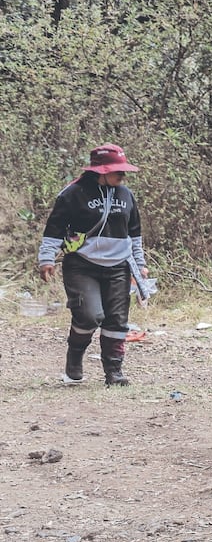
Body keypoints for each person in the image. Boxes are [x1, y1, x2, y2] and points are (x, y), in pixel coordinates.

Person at [37, 143, 150, 387]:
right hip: (81, 265)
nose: (123, 174)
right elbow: (54, 229)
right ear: (100, 170)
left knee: (117, 321)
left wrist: (140, 265)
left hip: (119, 266)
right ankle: (75, 357)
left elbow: (135, 234)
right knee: (89, 315)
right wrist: (46, 259)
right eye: (117, 170)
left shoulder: (126, 195)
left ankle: (114, 371)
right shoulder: (72, 194)